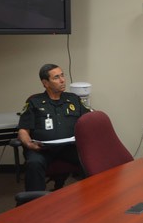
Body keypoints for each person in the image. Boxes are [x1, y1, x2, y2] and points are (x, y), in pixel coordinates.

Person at [17, 63, 91, 191]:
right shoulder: (34, 102)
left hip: (69, 148)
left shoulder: (73, 99)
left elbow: (89, 121)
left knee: (90, 158)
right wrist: (29, 144)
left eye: (62, 75)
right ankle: (35, 204)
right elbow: (23, 130)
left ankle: (93, 196)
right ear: (45, 83)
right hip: (42, 149)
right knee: (34, 163)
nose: (62, 80)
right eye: (56, 77)